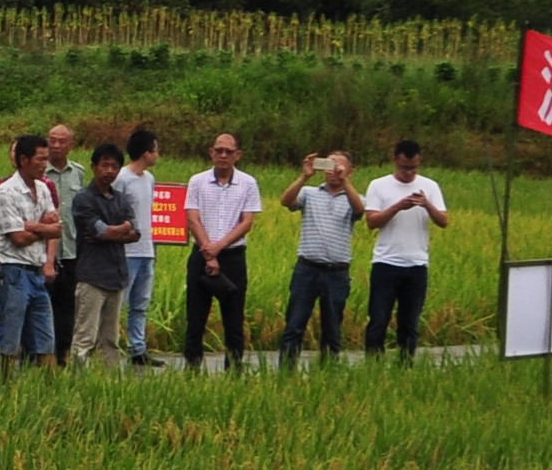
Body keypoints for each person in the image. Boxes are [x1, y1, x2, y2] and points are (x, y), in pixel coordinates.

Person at [358, 140, 447, 360]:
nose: (409, 173)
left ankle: (406, 365)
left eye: (414, 168)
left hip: (417, 264)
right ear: (395, 160)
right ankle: (373, 363)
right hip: (386, 263)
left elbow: (444, 221)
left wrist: (427, 204)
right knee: (379, 318)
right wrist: (399, 206)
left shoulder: (430, 186)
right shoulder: (378, 185)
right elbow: (372, 222)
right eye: (404, 167)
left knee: (410, 321)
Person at [179, 131, 262, 367]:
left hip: (233, 257)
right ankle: (192, 369)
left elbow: (246, 222)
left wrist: (217, 248)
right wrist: (208, 251)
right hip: (201, 256)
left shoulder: (248, 183)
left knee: (233, 319)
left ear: (238, 155)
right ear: (211, 152)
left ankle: (234, 371)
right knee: (195, 317)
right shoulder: (198, 180)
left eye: (228, 151)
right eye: (218, 150)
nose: (223, 155)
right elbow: (192, 218)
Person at [273, 149, 360, 362]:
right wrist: (305, 176)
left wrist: (345, 182)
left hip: (337, 272)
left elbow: (360, 210)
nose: (333, 172)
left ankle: (328, 371)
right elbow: (286, 201)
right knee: (294, 324)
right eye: (329, 166)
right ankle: (287, 371)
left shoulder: (352, 197)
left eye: (339, 167)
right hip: (307, 269)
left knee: (332, 328)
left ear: (350, 171)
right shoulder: (310, 193)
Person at [0, 132, 62, 372]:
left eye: (46, 159)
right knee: (10, 336)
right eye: (39, 159)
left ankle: (45, 384)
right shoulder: (6, 191)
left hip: (37, 272)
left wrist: (34, 225)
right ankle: (5, 382)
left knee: (45, 335)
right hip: (13, 272)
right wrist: (44, 227)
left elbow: (57, 228)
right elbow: (18, 238)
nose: (44, 164)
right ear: (23, 160)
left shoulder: (44, 188)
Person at [68, 140, 137, 362]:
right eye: (105, 165)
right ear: (94, 166)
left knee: (110, 339)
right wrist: (118, 231)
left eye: (115, 167)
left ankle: (108, 383)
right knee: (84, 338)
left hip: (116, 276)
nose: (109, 171)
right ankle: (78, 382)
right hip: (92, 277)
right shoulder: (83, 199)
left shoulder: (120, 198)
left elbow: (135, 233)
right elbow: (101, 231)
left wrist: (114, 232)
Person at [36, 123, 87, 360]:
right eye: (52, 140)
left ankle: (63, 355)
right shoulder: (38, 171)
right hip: (42, 252)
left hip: (71, 250)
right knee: (42, 305)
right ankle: (39, 355)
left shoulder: (78, 172)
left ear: (71, 144)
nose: (55, 145)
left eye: (61, 141)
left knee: (68, 306)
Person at [116, 130, 166, 363]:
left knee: (141, 303)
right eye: (156, 149)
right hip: (127, 252)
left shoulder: (150, 179)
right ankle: (111, 348)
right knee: (118, 304)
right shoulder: (122, 178)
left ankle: (138, 349)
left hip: (147, 249)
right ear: (146, 152)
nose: (158, 154)